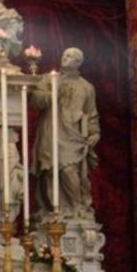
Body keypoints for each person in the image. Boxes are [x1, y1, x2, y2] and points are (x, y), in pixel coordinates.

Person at [29, 47, 100, 217]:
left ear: (78, 63)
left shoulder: (86, 87)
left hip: (73, 134)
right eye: (64, 55)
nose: (65, 58)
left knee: (69, 170)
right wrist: (52, 93)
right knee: (50, 169)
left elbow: (91, 113)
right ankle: (55, 209)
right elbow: (34, 100)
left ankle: (77, 208)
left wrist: (94, 132)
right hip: (51, 131)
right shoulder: (48, 79)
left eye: (70, 56)